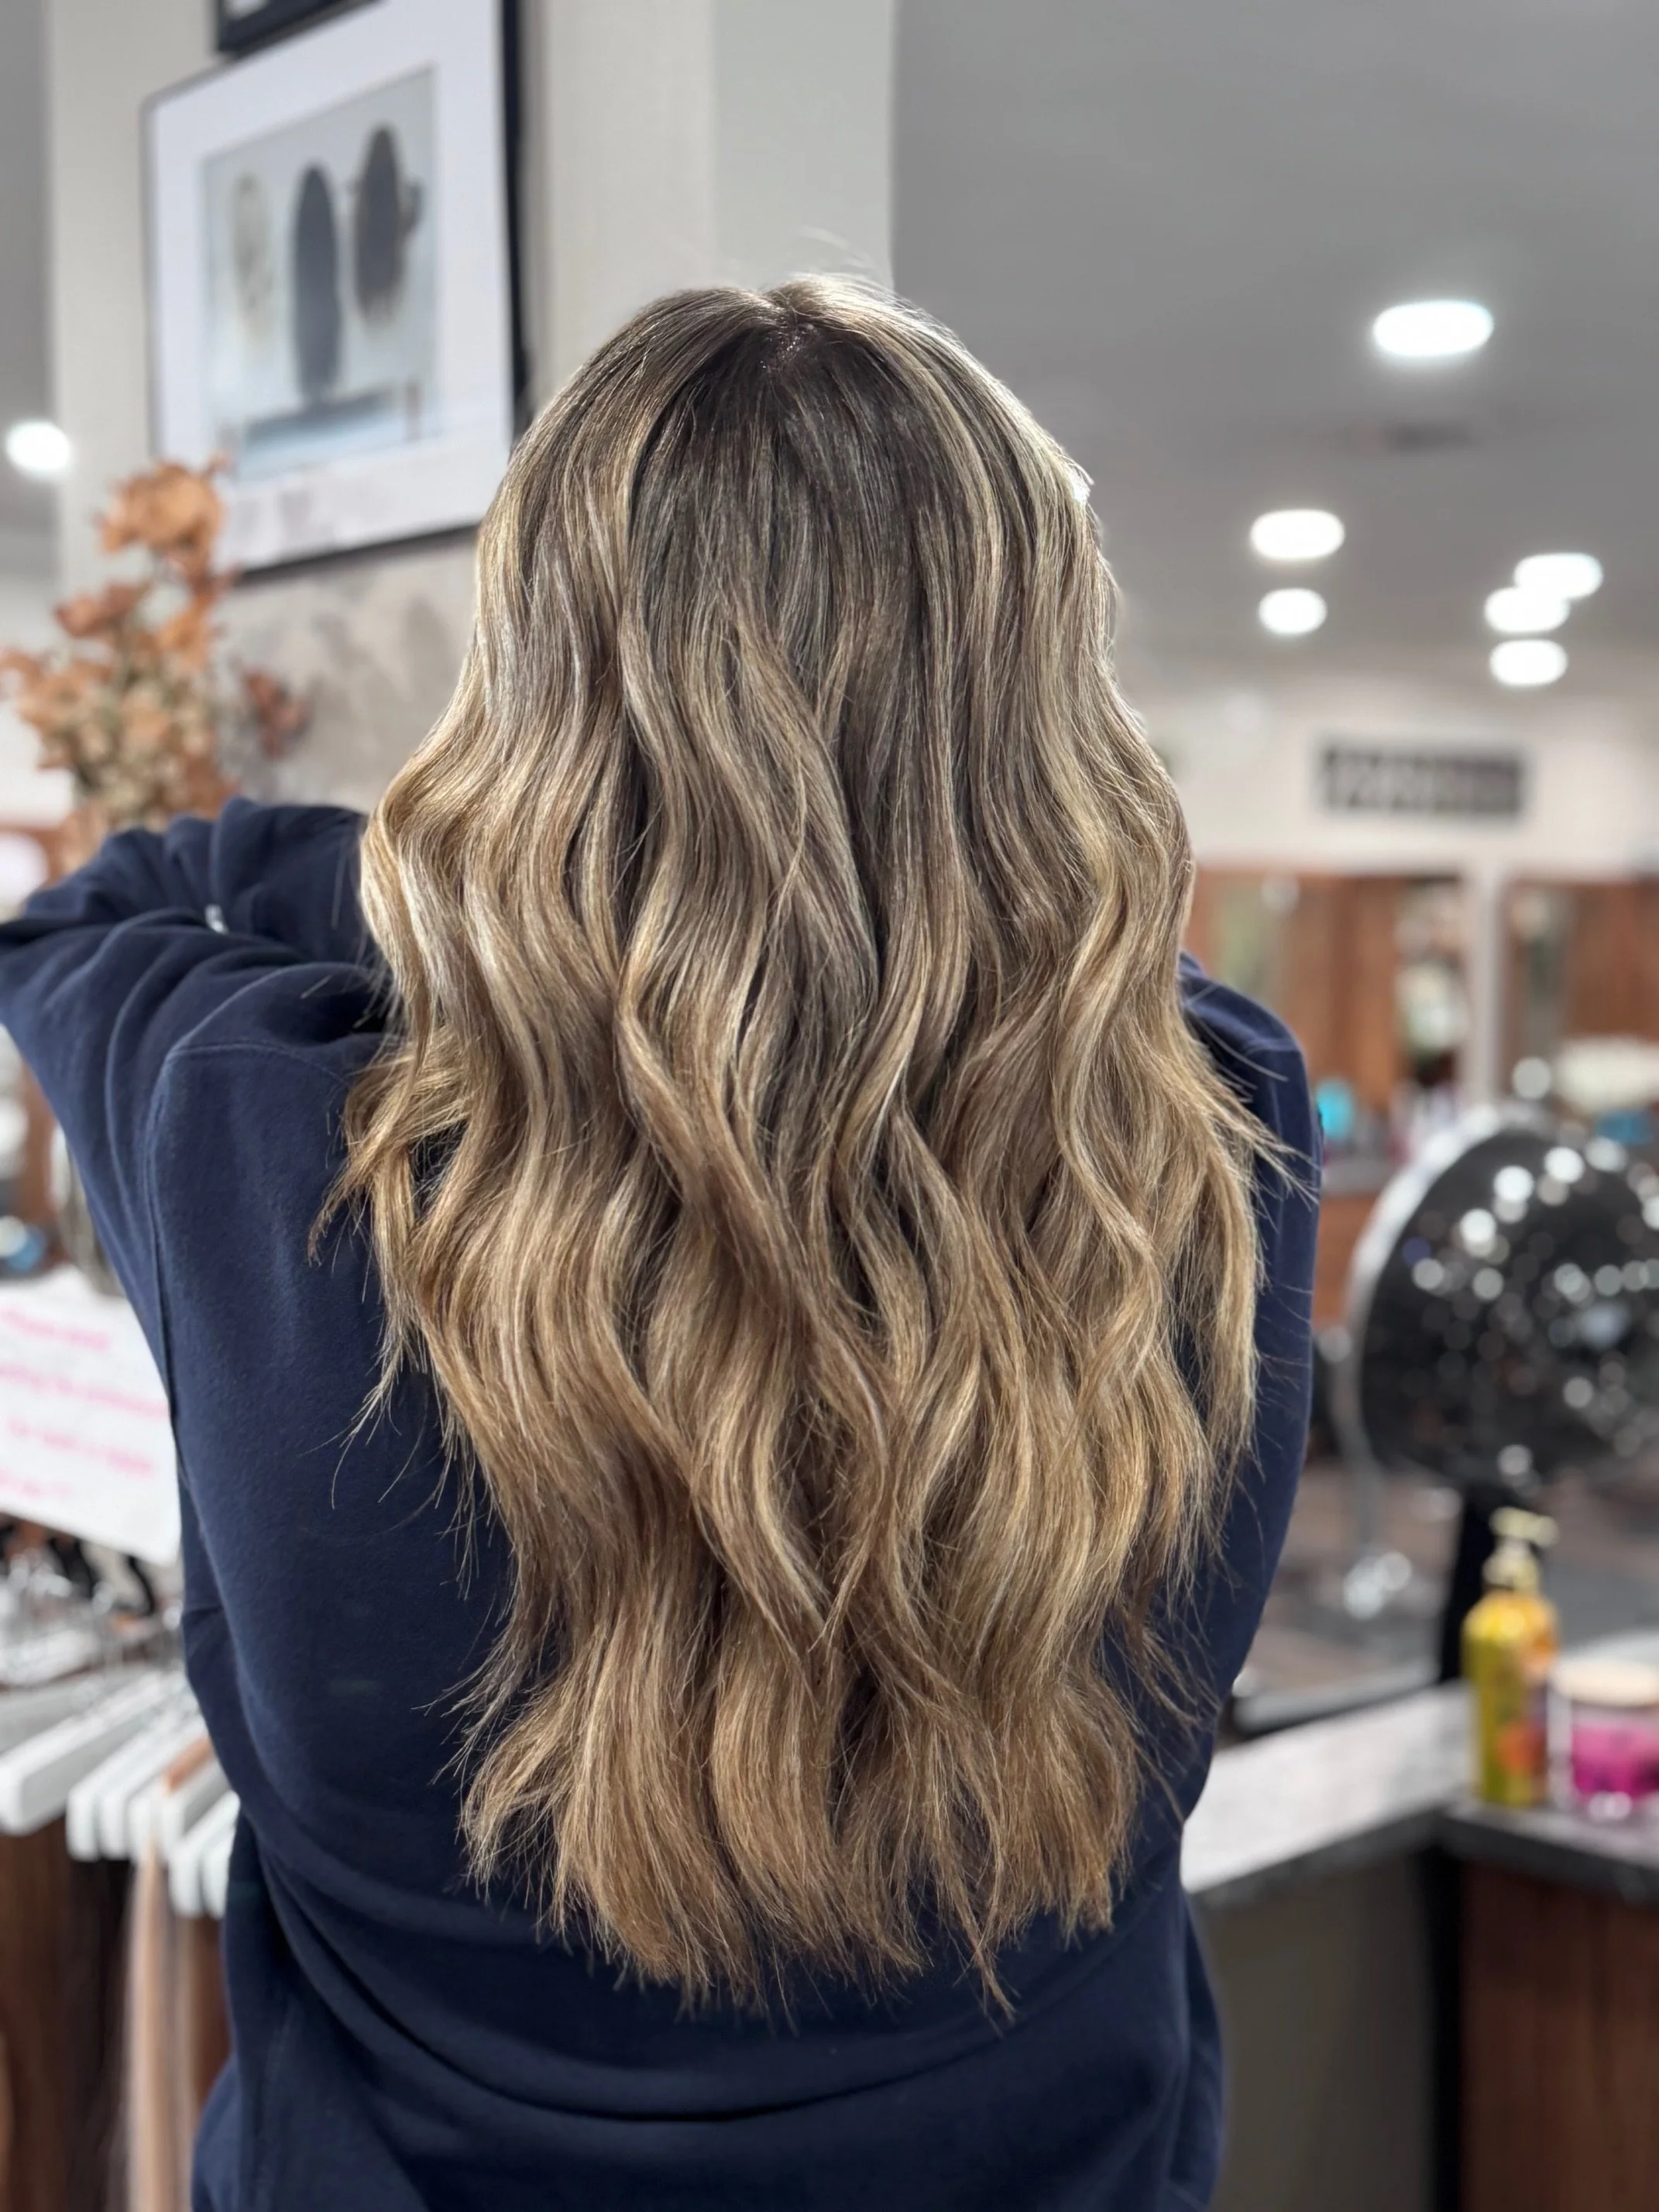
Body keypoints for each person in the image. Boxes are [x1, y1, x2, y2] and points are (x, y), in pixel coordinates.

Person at [0, 281, 1317, 2212]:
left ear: (530, 699)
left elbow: (90, 909)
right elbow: (1073, 980)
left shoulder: (257, 1138)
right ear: (1045, 704)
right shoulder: (1205, 1148)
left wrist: (481, 900)